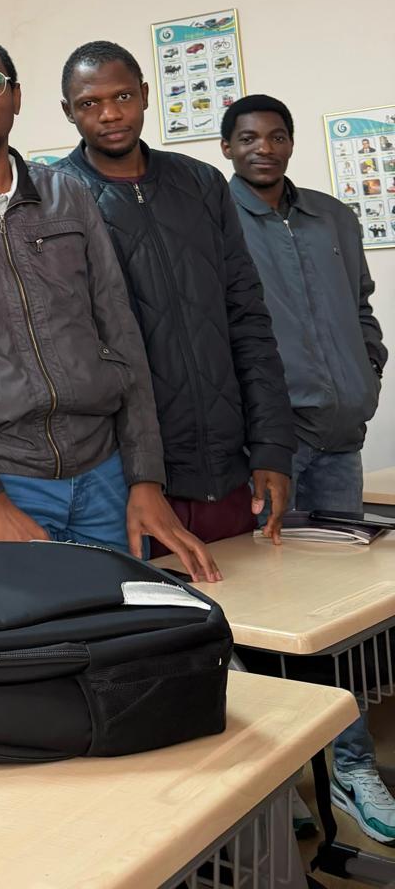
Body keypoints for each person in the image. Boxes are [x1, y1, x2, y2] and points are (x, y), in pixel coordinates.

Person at [0, 33, 217, 580]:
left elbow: (121, 335)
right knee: (17, 633)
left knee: (122, 628)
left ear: (16, 96)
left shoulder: (69, 195)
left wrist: (145, 478)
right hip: (0, 480)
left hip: (105, 476)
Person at [223, 93, 395, 840]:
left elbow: (361, 308)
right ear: (228, 148)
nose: (264, 148)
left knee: (337, 617)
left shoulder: (332, 217)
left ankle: (350, 769)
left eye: (276, 136)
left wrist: (367, 375)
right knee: (273, 619)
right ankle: (284, 771)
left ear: (290, 143)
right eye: (248, 137)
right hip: (270, 449)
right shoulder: (217, 218)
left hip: (340, 436)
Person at [58, 42, 294, 548]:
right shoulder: (55, 198)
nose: (110, 114)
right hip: (121, 481)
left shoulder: (201, 183)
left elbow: (248, 318)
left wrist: (272, 446)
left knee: (243, 596)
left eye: (123, 96)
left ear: (145, 95)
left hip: (226, 469)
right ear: (68, 112)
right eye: (90, 103)